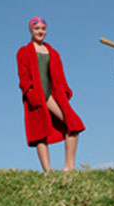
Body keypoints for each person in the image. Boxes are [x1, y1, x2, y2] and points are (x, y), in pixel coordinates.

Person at [15, 17, 85, 171]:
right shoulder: (24, 51)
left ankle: (69, 166)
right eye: (37, 28)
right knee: (40, 133)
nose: (40, 31)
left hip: (53, 96)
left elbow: (60, 75)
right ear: (31, 30)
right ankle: (48, 171)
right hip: (36, 96)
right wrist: (30, 92)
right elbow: (23, 76)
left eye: (43, 29)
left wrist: (66, 92)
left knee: (73, 125)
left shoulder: (53, 52)